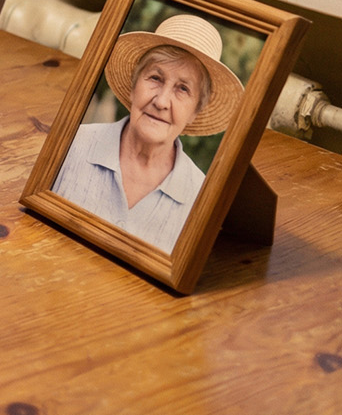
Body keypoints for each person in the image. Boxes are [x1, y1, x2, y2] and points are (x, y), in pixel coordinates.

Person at [52, 14, 244, 252]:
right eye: (155, 78)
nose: (162, 101)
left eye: (183, 89)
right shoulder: (71, 144)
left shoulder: (202, 199)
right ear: (134, 86)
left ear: (196, 111)